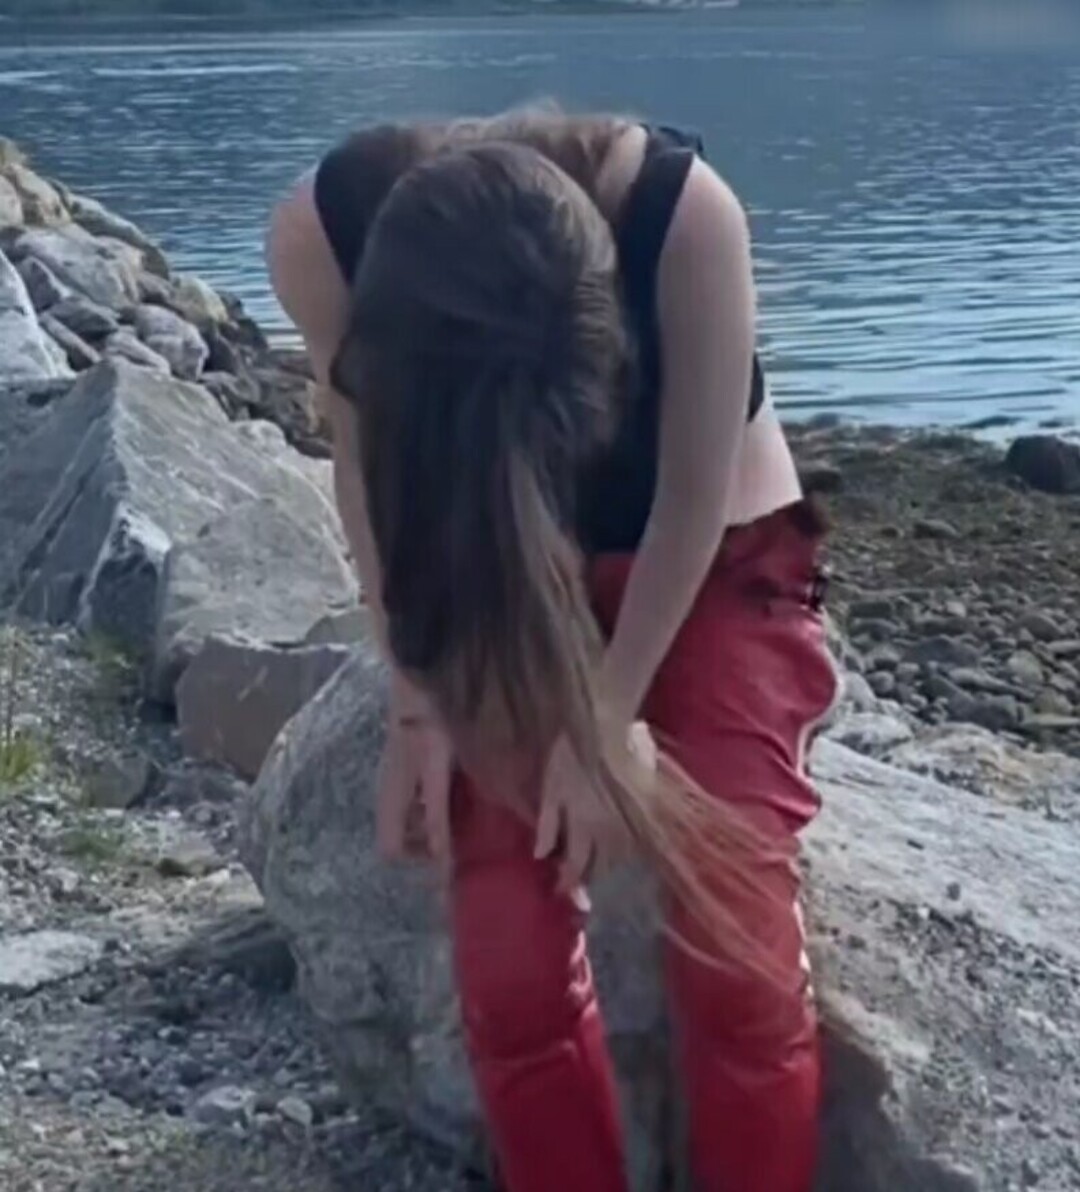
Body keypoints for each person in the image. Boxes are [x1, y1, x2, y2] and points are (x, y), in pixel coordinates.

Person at [266, 107, 838, 1192]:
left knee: (740, 955)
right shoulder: (321, 233)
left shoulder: (685, 216)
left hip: (716, 558)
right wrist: (418, 698)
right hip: (488, 559)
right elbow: (368, 473)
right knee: (508, 968)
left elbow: (691, 496)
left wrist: (607, 718)